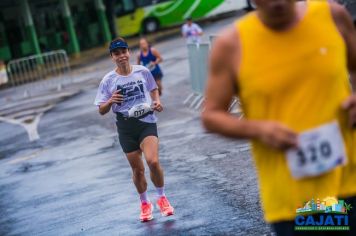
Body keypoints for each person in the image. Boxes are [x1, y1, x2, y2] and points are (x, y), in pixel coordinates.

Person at [202, 0, 356, 235]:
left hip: (350, 182)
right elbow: (211, 115)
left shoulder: (332, 15)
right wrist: (259, 130)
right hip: (297, 201)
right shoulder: (232, 45)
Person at [94, 37, 174, 222]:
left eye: (124, 52)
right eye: (117, 53)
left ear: (129, 53)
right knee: (138, 170)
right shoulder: (108, 80)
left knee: (152, 161)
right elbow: (101, 110)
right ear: (112, 57)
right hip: (126, 127)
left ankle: (162, 198)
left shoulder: (142, 71)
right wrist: (110, 101)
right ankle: (145, 203)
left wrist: (157, 101)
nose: (121, 56)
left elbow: (153, 89)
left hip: (146, 121)